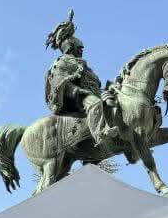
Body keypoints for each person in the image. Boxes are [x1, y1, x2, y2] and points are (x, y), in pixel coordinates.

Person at [43, 10, 116, 144]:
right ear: (70, 47)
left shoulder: (82, 64)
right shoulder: (63, 62)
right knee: (94, 103)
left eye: (82, 48)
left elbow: (93, 81)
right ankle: (100, 135)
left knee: (115, 101)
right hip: (78, 98)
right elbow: (59, 82)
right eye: (79, 47)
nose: (82, 50)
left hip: (94, 92)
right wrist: (78, 91)